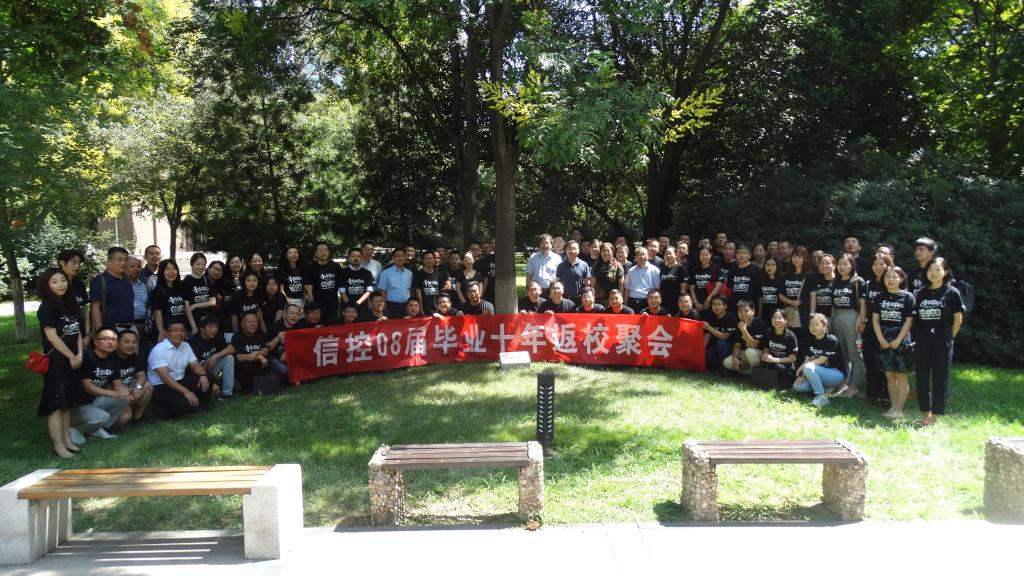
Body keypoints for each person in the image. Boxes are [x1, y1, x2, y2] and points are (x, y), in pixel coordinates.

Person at [36, 269, 86, 458]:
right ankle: (58, 446)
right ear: (46, 285)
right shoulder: (46, 308)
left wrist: (79, 354)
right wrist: (71, 356)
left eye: (63, 280)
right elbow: (52, 337)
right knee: (57, 406)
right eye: (54, 281)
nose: (60, 285)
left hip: (74, 358)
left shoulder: (70, 304)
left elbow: (77, 331)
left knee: (67, 404)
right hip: (57, 361)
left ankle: (67, 440)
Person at [913, 257, 964, 426]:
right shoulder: (921, 293)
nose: (933, 273)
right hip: (923, 338)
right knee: (921, 377)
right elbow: (916, 318)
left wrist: (949, 337)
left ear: (946, 272)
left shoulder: (952, 292)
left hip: (942, 338)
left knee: (940, 377)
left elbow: (958, 319)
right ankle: (925, 413)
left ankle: (934, 415)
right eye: (930, 270)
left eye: (938, 269)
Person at [71, 325, 130, 441]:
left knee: (123, 398)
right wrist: (115, 393)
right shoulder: (88, 358)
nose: (110, 342)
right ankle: (75, 430)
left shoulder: (113, 359)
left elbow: (117, 383)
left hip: (95, 401)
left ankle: (97, 429)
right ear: (96, 342)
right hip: (77, 404)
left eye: (113, 339)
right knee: (104, 416)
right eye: (105, 339)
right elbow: (88, 387)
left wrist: (123, 391)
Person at [872, 266, 915, 420]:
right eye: (887, 277)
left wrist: (898, 340)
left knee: (901, 375)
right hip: (883, 339)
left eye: (894, 277)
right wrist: (881, 339)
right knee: (889, 375)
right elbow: (875, 320)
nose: (890, 280)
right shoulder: (879, 297)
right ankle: (893, 407)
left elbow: (909, 321)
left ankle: (899, 409)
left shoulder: (908, 297)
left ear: (901, 279)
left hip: (901, 340)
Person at [147, 320, 214, 418]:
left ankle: (202, 407)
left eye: (182, 330)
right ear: (166, 333)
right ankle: (160, 410)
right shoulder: (159, 350)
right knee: (187, 405)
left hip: (180, 380)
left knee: (209, 376)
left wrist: (203, 375)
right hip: (162, 386)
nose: (179, 333)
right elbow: (165, 378)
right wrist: (186, 392)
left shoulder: (185, 345)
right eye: (174, 330)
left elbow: (195, 365)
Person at [830, 254, 867, 397]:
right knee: (841, 353)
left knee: (854, 353)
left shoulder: (857, 281)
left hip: (852, 318)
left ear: (852, 265)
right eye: (840, 263)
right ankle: (843, 383)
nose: (842, 267)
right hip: (837, 317)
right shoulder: (835, 281)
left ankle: (854, 384)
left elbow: (863, 304)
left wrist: (862, 321)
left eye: (846, 264)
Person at [793, 313, 846, 407]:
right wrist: (802, 376)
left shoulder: (831, 339)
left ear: (824, 326)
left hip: (835, 374)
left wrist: (802, 367)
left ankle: (821, 396)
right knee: (798, 387)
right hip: (816, 372)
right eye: (811, 325)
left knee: (808, 367)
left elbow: (822, 360)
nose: (813, 327)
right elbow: (807, 358)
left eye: (817, 324)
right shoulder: (809, 339)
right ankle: (826, 389)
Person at [187, 314, 235, 400]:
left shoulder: (217, 336)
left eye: (216, 327)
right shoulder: (193, 342)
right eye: (211, 327)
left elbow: (232, 349)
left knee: (229, 358)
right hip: (198, 373)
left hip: (211, 368)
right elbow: (192, 368)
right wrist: (211, 382)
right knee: (210, 396)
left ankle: (227, 393)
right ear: (202, 329)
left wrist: (215, 356)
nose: (214, 330)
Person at [90, 246, 134, 332]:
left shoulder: (127, 279)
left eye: (126, 260)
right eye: (119, 259)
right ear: (109, 261)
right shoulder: (99, 280)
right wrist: (100, 331)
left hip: (130, 328)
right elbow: (95, 307)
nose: (123, 263)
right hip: (111, 329)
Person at [113, 329, 153, 422]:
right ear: (117, 343)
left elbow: (142, 375)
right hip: (116, 393)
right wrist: (128, 392)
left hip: (129, 388)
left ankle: (137, 418)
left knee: (148, 386)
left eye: (134, 342)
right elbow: (111, 386)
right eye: (126, 342)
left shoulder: (133, 356)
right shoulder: (111, 358)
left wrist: (138, 387)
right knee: (124, 418)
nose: (131, 345)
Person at [779, 246, 813, 354]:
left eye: (799, 256)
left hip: (804, 313)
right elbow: (780, 295)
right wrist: (791, 302)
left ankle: (802, 362)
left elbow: (813, 296)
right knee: (789, 339)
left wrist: (812, 314)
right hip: (789, 312)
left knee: (804, 340)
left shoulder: (810, 275)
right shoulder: (786, 275)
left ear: (805, 258)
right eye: (794, 256)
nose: (796, 259)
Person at [723, 300, 768, 375]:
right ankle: (748, 372)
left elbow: (754, 345)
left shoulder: (760, 323)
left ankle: (756, 373)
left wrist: (743, 330)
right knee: (727, 362)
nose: (743, 314)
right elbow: (737, 345)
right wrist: (735, 358)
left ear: (753, 311)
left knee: (749, 351)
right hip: (745, 353)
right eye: (740, 311)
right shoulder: (739, 324)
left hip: (759, 353)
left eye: (746, 311)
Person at [231, 312, 270, 394]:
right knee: (247, 366)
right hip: (244, 368)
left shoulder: (260, 333)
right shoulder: (237, 337)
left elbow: (266, 351)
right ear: (242, 324)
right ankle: (247, 390)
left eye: (255, 321)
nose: (253, 324)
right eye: (249, 322)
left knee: (269, 362)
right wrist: (259, 356)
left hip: (260, 364)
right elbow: (239, 357)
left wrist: (256, 354)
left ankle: (268, 386)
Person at [305, 241, 343, 322]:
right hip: (317, 306)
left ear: (328, 252)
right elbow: (309, 288)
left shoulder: (335, 266)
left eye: (325, 250)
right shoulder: (311, 267)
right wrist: (312, 305)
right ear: (315, 253)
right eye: (320, 250)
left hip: (333, 304)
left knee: (332, 326)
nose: (323, 252)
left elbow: (340, 285)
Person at [150, 259, 187, 342]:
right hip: (166, 331)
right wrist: (161, 332)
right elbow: (157, 313)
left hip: (179, 330)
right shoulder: (158, 290)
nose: (171, 272)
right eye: (167, 269)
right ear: (161, 272)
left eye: (174, 269)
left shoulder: (179, 288)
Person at [58, 249, 90, 340]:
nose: (77, 266)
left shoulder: (80, 285)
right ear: (62, 263)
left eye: (79, 263)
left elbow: (85, 310)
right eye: (74, 262)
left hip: (82, 334)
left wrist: (87, 334)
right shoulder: (56, 286)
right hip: (63, 337)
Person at [267, 304, 303, 380]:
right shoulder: (274, 326)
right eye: (292, 313)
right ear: (285, 314)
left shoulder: (299, 326)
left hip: (291, 355)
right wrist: (277, 338)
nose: (294, 316)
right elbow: (267, 348)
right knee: (285, 371)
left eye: (297, 314)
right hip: (273, 357)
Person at [761, 310, 799, 381]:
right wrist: (766, 355)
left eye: (779, 318)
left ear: (785, 321)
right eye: (774, 318)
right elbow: (766, 349)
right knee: (763, 362)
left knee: (778, 367)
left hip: (785, 363)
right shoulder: (769, 333)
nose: (776, 320)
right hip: (772, 360)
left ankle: (783, 382)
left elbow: (793, 358)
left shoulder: (790, 336)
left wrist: (775, 360)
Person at [182, 252, 215, 334]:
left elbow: (213, 302)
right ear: (192, 265)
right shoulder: (187, 281)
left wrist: (195, 305)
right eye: (198, 264)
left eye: (204, 264)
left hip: (207, 322)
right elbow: (186, 307)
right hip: (193, 322)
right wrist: (194, 327)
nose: (201, 267)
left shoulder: (205, 279)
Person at [378, 248, 414, 319]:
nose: (400, 258)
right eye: (397, 256)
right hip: (391, 307)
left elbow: (410, 290)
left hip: (406, 307)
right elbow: (383, 292)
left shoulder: (409, 273)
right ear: (393, 258)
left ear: (405, 257)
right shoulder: (385, 273)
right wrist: (384, 309)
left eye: (402, 256)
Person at [703, 296, 737, 370]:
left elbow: (724, 337)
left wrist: (709, 327)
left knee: (721, 343)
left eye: (719, 304)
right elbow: (708, 334)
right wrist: (701, 349)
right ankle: (719, 366)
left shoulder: (730, 318)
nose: (716, 307)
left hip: (731, 346)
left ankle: (724, 369)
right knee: (707, 355)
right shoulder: (710, 316)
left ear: (725, 306)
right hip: (716, 345)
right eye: (714, 304)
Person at [624, 247, 662, 311]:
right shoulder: (631, 271)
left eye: (643, 254)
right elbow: (627, 289)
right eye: (639, 255)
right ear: (635, 257)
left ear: (647, 256)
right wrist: (625, 304)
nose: (642, 257)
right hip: (632, 301)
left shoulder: (655, 270)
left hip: (647, 301)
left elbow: (657, 288)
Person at [688, 246, 722, 315]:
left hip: (712, 302)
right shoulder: (694, 270)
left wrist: (709, 299)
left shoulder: (716, 268)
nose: (704, 257)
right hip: (698, 302)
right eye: (702, 255)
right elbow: (692, 289)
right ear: (698, 256)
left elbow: (718, 286)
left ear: (711, 255)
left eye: (706, 254)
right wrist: (696, 303)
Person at [339, 247, 375, 313]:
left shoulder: (367, 273)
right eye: (353, 256)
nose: (356, 258)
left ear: (362, 258)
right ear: (349, 258)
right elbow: (342, 291)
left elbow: (369, 291)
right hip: (347, 308)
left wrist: (358, 303)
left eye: (358, 256)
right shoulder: (343, 273)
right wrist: (349, 305)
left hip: (363, 307)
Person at [726, 245, 760, 314]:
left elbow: (759, 292)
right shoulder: (732, 270)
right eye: (739, 253)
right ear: (735, 255)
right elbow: (729, 286)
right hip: (733, 306)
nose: (741, 255)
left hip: (749, 308)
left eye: (744, 253)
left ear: (749, 255)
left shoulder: (757, 270)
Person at [125, 256, 150, 350]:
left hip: (143, 325)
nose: (136, 269)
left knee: (142, 353)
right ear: (125, 267)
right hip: (127, 325)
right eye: (132, 266)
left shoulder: (143, 285)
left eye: (139, 267)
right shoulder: (121, 285)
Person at [658, 246, 685, 314]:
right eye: (666, 254)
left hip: (676, 303)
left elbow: (683, 289)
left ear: (676, 255)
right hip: (663, 302)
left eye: (670, 253)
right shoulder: (662, 269)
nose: (668, 256)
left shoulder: (680, 268)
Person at [810, 253, 836, 319]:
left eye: (828, 263)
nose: (824, 266)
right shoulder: (815, 279)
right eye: (821, 263)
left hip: (836, 316)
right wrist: (812, 313)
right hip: (820, 316)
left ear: (834, 265)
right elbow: (813, 297)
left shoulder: (839, 280)